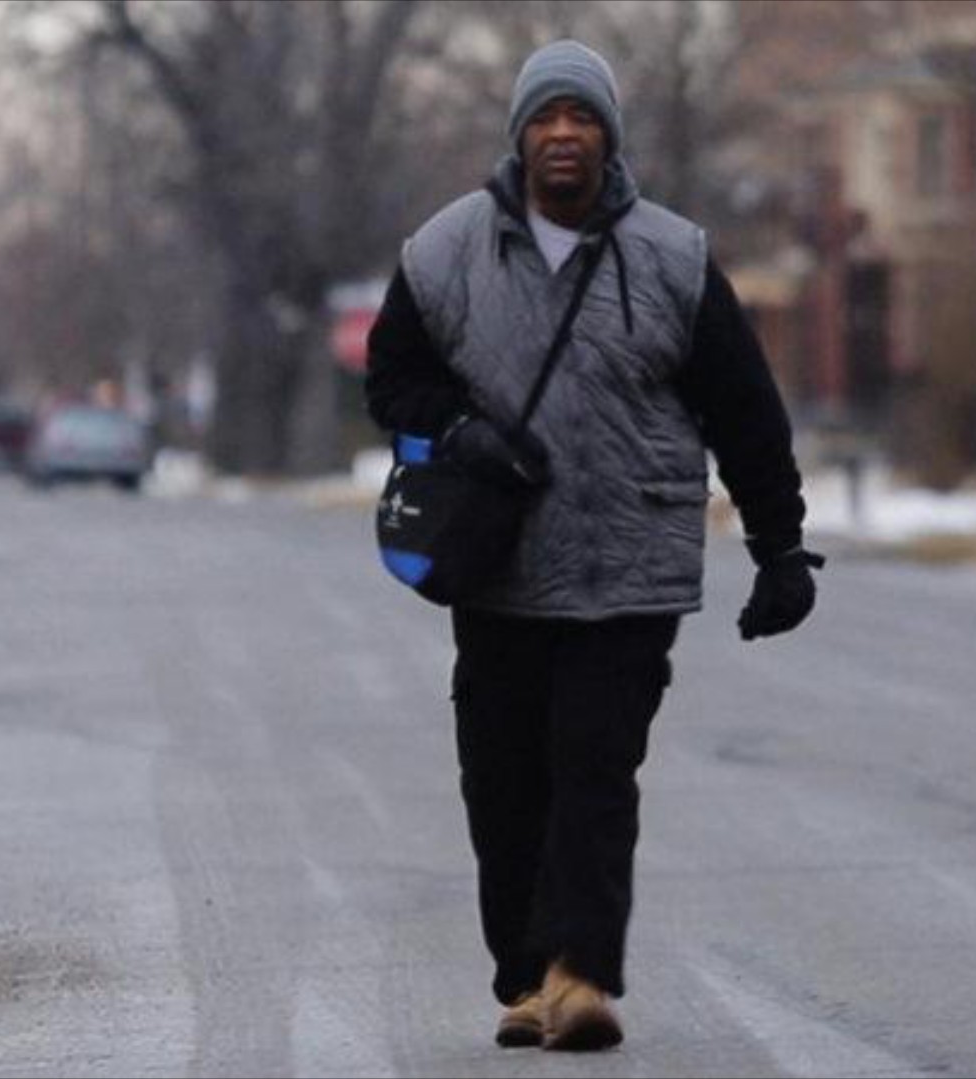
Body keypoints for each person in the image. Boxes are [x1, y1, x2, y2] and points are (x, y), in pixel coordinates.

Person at [364, 40, 822, 1052]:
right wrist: (457, 431)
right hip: (498, 563)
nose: (564, 134)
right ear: (519, 135)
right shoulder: (445, 252)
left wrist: (779, 545)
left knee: (594, 768)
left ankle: (578, 973)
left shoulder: (672, 257)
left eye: (582, 118)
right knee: (502, 780)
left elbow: (744, 410)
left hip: (629, 563)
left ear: (609, 138)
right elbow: (391, 381)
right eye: (546, 117)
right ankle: (526, 976)